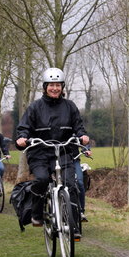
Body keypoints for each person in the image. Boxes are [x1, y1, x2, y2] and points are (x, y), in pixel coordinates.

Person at [15, 67, 89, 236]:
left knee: (71, 185)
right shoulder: (35, 107)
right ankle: (37, 214)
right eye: (51, 85)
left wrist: (82, 135)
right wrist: (22, 138)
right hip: (39, 153)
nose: (55, 88)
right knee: (41, 179)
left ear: (62, 87)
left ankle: (74, 226)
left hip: (63, 151)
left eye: (58, 85)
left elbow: (78, 126)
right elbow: (23, 128)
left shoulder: (70, 106)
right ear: (45, 86)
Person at [74, 146, 92, 222]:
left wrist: (86, 148)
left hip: (73, 159)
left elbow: (82, 136)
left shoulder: (72, 133)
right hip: (54, 159)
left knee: (79, 183)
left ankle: (81, 211)